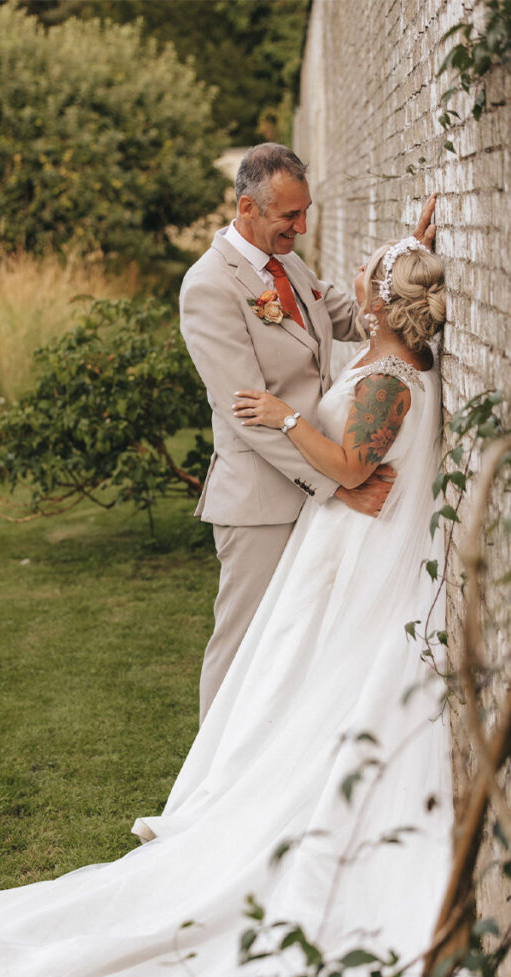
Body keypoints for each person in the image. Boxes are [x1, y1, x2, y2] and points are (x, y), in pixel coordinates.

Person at [0, 236, 458, 977]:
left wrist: (285, 414)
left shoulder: (392, 379)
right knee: (283, 677)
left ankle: (242, 801)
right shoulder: (403, 361)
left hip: (357, 550)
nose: (354, 279)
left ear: (378, 300)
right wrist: (418, 234)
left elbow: (346, 469)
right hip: (343, 546)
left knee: (308, 687)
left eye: (369, 274)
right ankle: (233, 779)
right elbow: (362, 431)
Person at [179, 143, 436, 722]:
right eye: (288, 216)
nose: (300, 226)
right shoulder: (209, 287)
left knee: (290, 647)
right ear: (247, 207)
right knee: (244, 644)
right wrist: (338, 485)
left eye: (305, 212)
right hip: (261, 500)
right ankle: (210, 784)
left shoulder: (288, 262)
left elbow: (354, 312)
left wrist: (408, 258)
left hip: (314, 481)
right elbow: (249, 415)